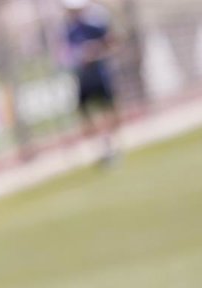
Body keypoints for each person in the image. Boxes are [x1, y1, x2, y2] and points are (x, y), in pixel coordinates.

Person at [63, 0, 122, 165]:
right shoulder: (69, 32)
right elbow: (65, 54)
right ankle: (102, 147)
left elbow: (112, 43)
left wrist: (95, 51)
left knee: (109, 110)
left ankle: (111, 144)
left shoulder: (95, 25)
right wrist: (79, 57)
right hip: (84, 78)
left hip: (100, 74)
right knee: (87, 115)